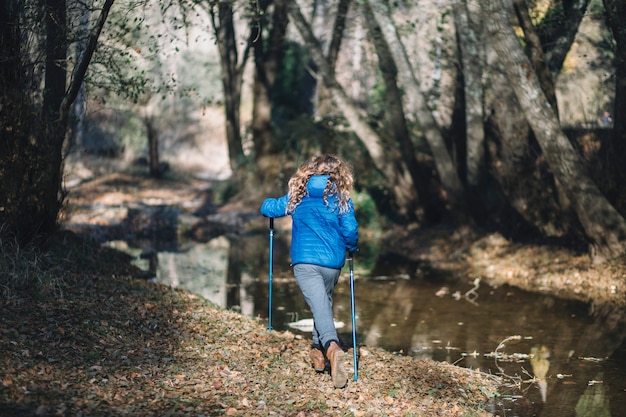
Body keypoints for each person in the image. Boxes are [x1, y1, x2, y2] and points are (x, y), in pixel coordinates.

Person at [260, 154, 359, 389]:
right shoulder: (342, 198)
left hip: (305, 262)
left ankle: (332, 348)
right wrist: (352, 247)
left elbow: (270, 208)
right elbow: (351, 230)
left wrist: (265, 203)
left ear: (311, 171)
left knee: (320, 305)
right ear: (339, 174)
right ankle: (318, 353)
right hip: (332, 264)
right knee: (321, 304)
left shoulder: (298, 195)